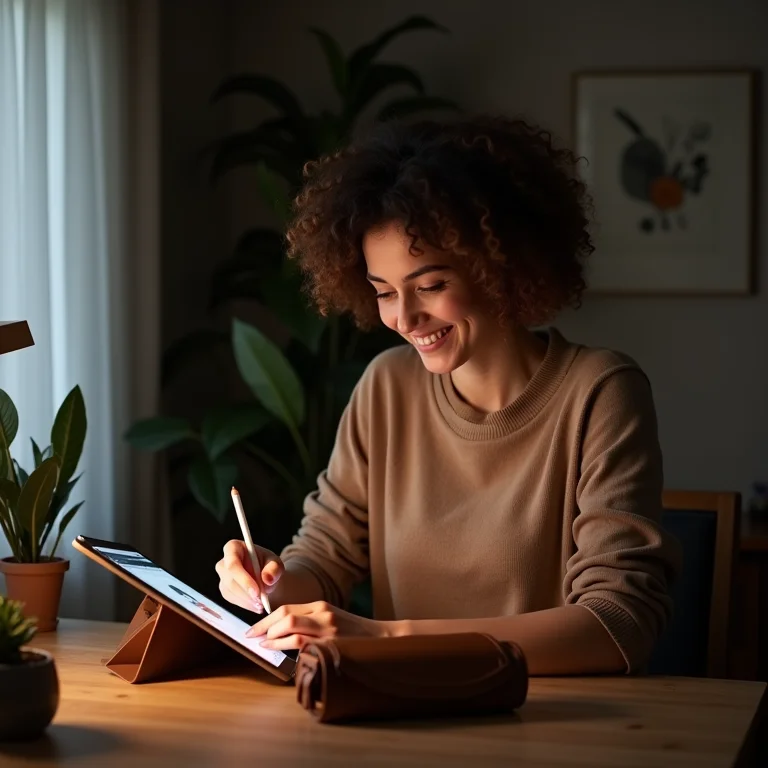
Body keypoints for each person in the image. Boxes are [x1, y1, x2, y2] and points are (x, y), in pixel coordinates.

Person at [215, 115, 682, 675]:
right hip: (402, 719)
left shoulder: (600, 393)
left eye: (431, 286)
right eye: (384, 292)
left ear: (499, 267)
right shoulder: (386, 388)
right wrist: (271, 580)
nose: (405, 318)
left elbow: (616, 624)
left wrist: (388, 638)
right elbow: (323, 558)